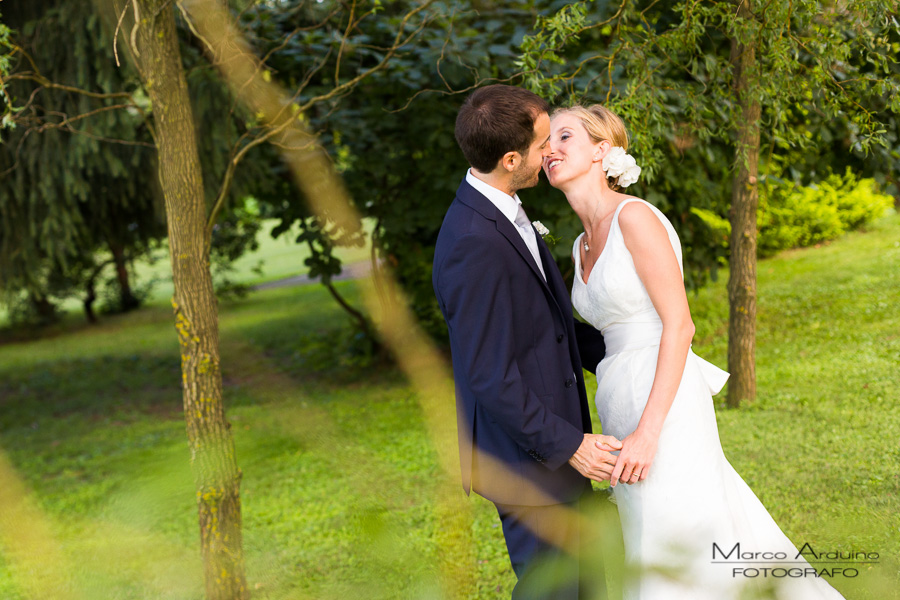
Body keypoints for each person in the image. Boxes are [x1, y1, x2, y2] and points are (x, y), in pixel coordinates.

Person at [544, 103, 846, 599]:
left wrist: (648, 433)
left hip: (664, 404)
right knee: (651, 535)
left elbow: (679, 326)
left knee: (681, 530)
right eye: (546, 142)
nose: (550, 149)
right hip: (619, 397)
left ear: (602, 150)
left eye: (565, 137)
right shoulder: (579, 245)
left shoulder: (634, 217)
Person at [432, 85, 623, 599]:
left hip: (553, 446)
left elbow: (550, 330)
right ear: (512, 159)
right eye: (544, 144)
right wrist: (572, 447)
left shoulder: (503, 208)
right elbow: (489, 376)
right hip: (528, 462)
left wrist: (637, 357)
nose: (552, 152)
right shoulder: (473, 243)